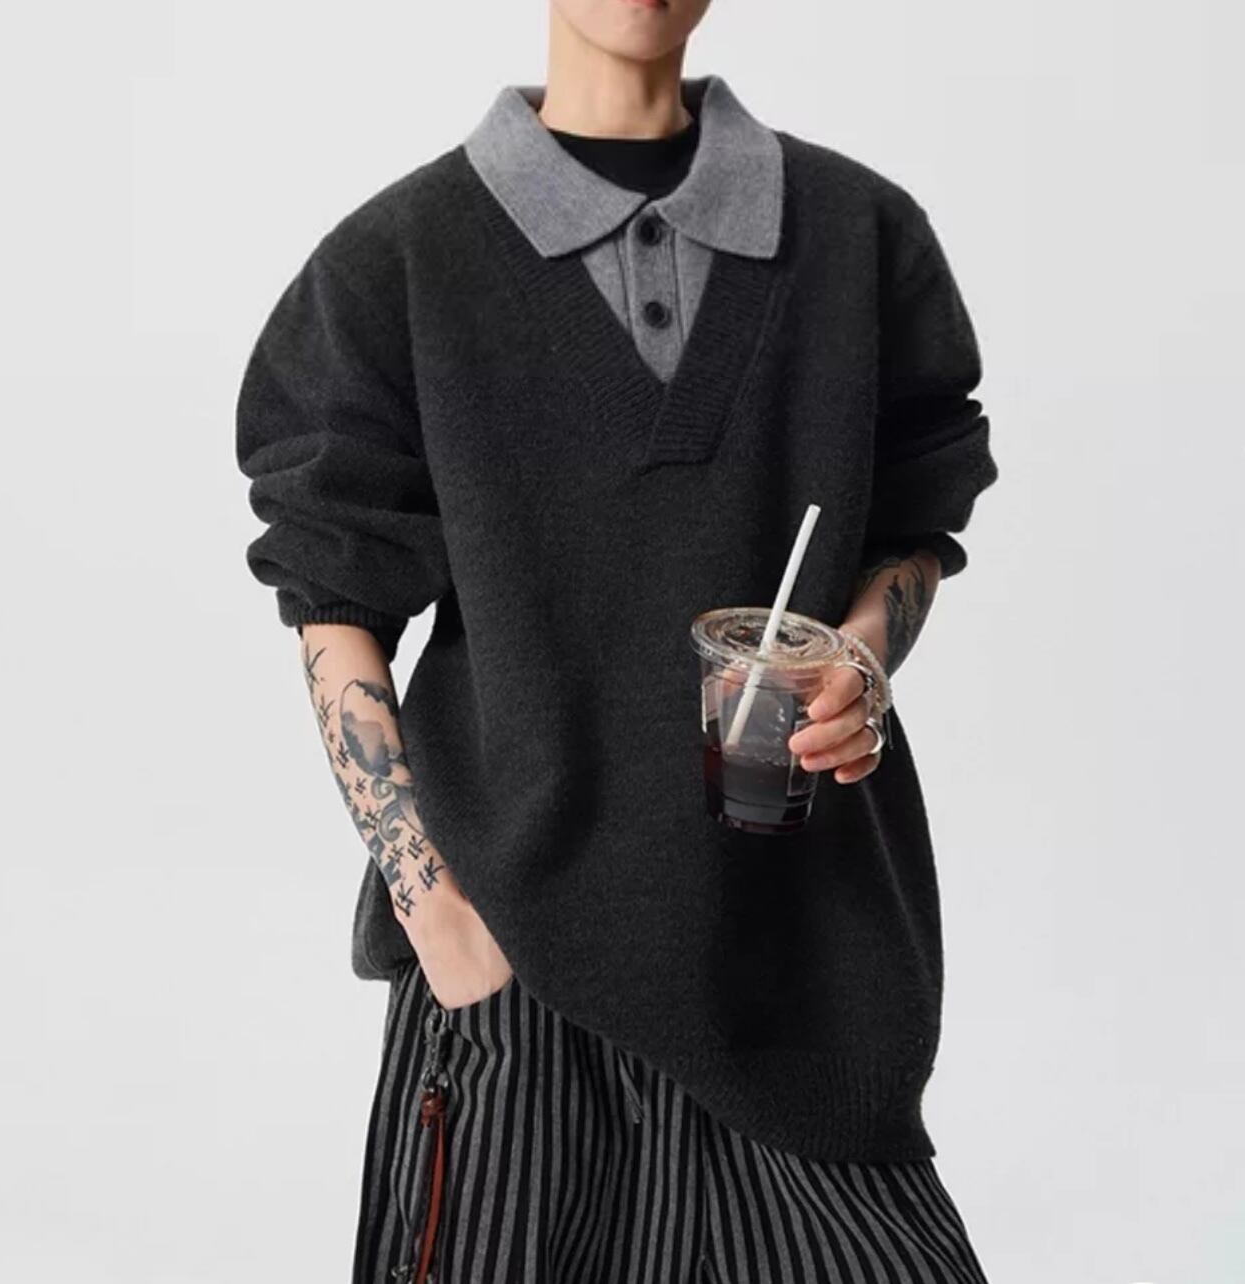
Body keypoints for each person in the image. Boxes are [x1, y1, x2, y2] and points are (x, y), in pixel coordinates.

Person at [234, 1, 999, 1280]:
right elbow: (333, 597)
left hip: (799, 971)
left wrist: (863, 655)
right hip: (511, 977)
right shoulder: (396, 261)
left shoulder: (857, 234)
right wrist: (438, 911)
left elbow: (916, 520)